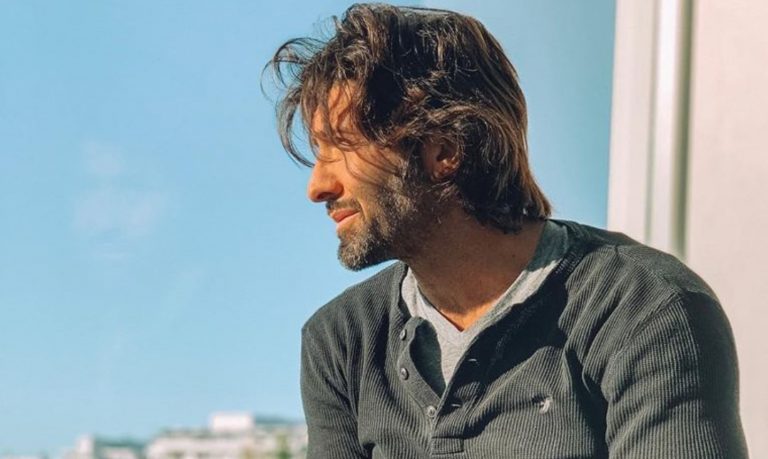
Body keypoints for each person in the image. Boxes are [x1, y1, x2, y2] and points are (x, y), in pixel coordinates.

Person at [266, 4, 748, 458]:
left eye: (340, 148)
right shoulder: (342, 340)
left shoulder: (644, 309)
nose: (317, 187)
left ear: (444, 151)